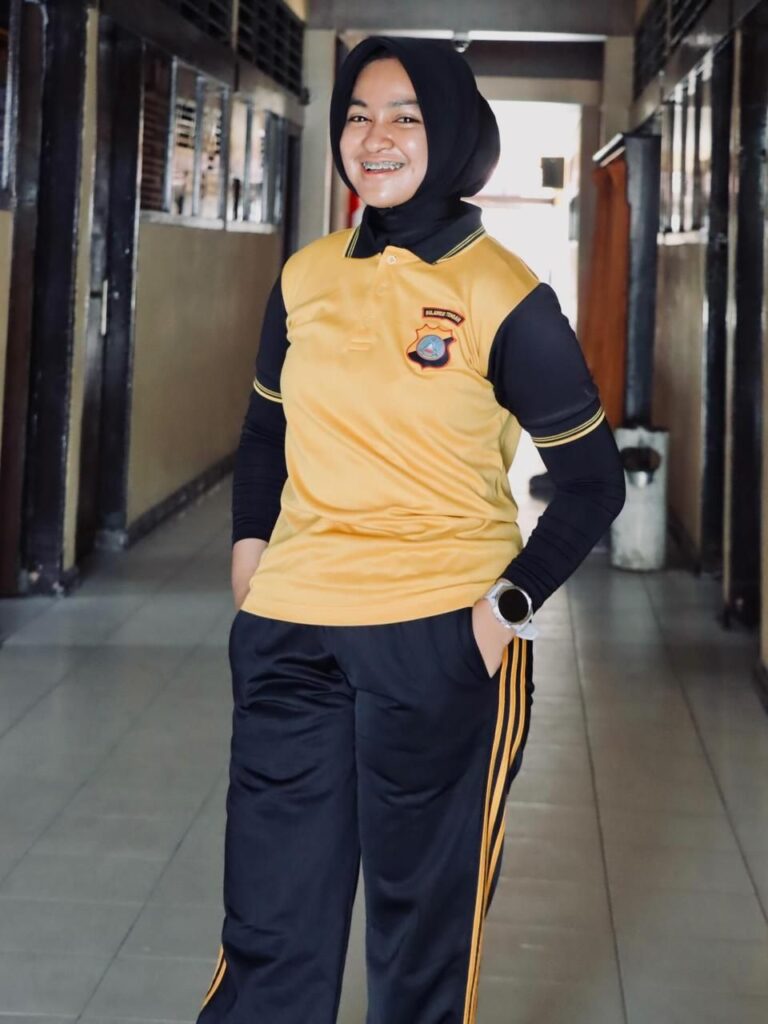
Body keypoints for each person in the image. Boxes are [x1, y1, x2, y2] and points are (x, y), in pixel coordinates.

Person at [197, 36, 625, 1024]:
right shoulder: (305, 277)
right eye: (357, 114)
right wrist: (250, 562)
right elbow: (265, 430)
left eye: (405, 116)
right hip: (291, 635)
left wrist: (498, 615)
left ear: (456, 132)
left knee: (420, 943)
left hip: (438, 639)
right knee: (270, 927)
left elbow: (592, 481)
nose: (374, 136)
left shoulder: (504, 294)